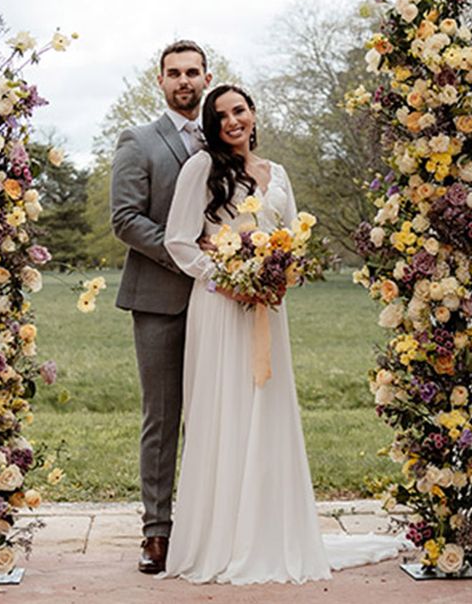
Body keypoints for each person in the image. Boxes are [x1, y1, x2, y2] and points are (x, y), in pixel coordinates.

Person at [163, 84, 408, 584]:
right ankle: (222, 537)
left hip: (267, 309)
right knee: (225, 410)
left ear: (253, 114)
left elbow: (293, 236)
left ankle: (272, 529)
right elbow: (178, 241)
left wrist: (278, 275)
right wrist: (226, 279)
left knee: (266, 409)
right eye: (222, 114)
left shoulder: (279, 173)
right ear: (211, 124)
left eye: (240, 110)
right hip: (220, 308)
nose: (233, 120)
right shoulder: (201, 169)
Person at [110, 40, 211, 574]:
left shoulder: (220, 138)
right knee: (163, 416)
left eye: (192, 72)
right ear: (161, 81)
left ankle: (205, 524)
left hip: (220, 302)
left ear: (207, 76)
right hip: (158, 299)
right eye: (174, 73)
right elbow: (125, 219)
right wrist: (186, 257)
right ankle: (157, 532)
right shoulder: (139, 141)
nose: (184, 81)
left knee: (213, 415)